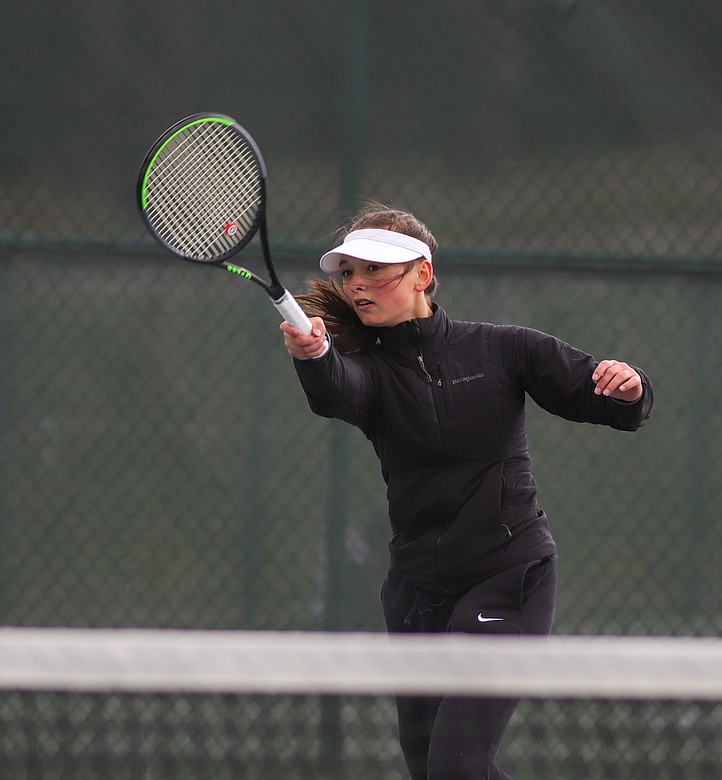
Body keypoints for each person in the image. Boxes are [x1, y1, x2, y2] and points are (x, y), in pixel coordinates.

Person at [280, 206, 653, 780]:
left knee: (456, 765)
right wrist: (315, 356)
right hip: (414, 593)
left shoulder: (503, 350)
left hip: (506, 577)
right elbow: (339, 389)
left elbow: (601, 396)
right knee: (429, 768)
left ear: (422, 275)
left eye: (375, 270)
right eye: (349, 272)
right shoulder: (369, 372)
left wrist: (628, 388)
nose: (356, 284)